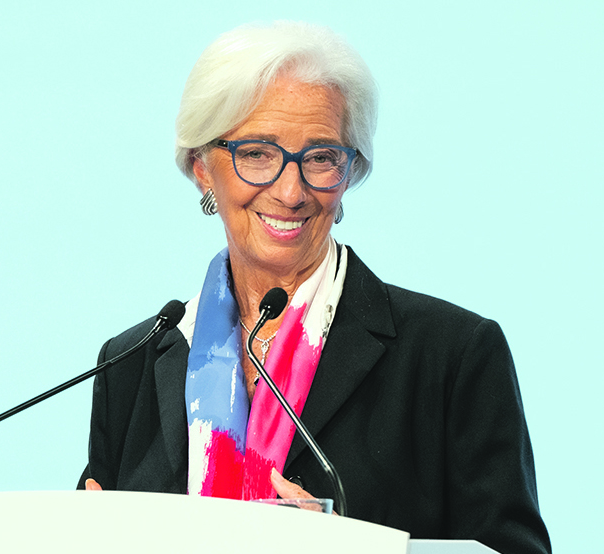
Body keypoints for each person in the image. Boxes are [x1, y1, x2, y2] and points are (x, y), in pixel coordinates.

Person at [77, 21, 551, 554]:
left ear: (349, 173)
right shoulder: (132, 364)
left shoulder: (452, 355)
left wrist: (352, 548)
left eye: (321, 158)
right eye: (257, 153)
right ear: (202, 167)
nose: (290, 191)